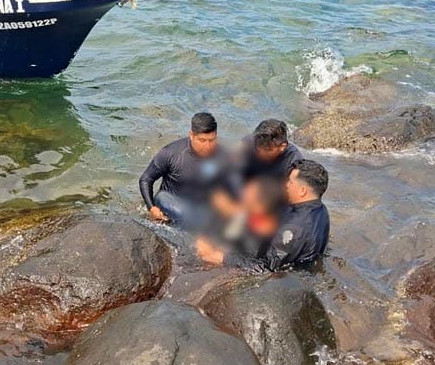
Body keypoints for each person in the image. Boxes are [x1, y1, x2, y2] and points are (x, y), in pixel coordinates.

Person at [197, 159, 331, 272]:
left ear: (302, 191)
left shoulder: (294, 229)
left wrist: (221, 258)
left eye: (290, 182)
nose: (286, 185)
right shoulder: (320, 210)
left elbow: (266, 269)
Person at [138, 112, 234, 226]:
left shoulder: (223, 156)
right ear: (191, 135)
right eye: (202, 140)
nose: (208, 146)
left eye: (212, 140)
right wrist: (151, 208)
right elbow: (146, 179)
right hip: (170, 201)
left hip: (199, 207)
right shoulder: (171, 153)